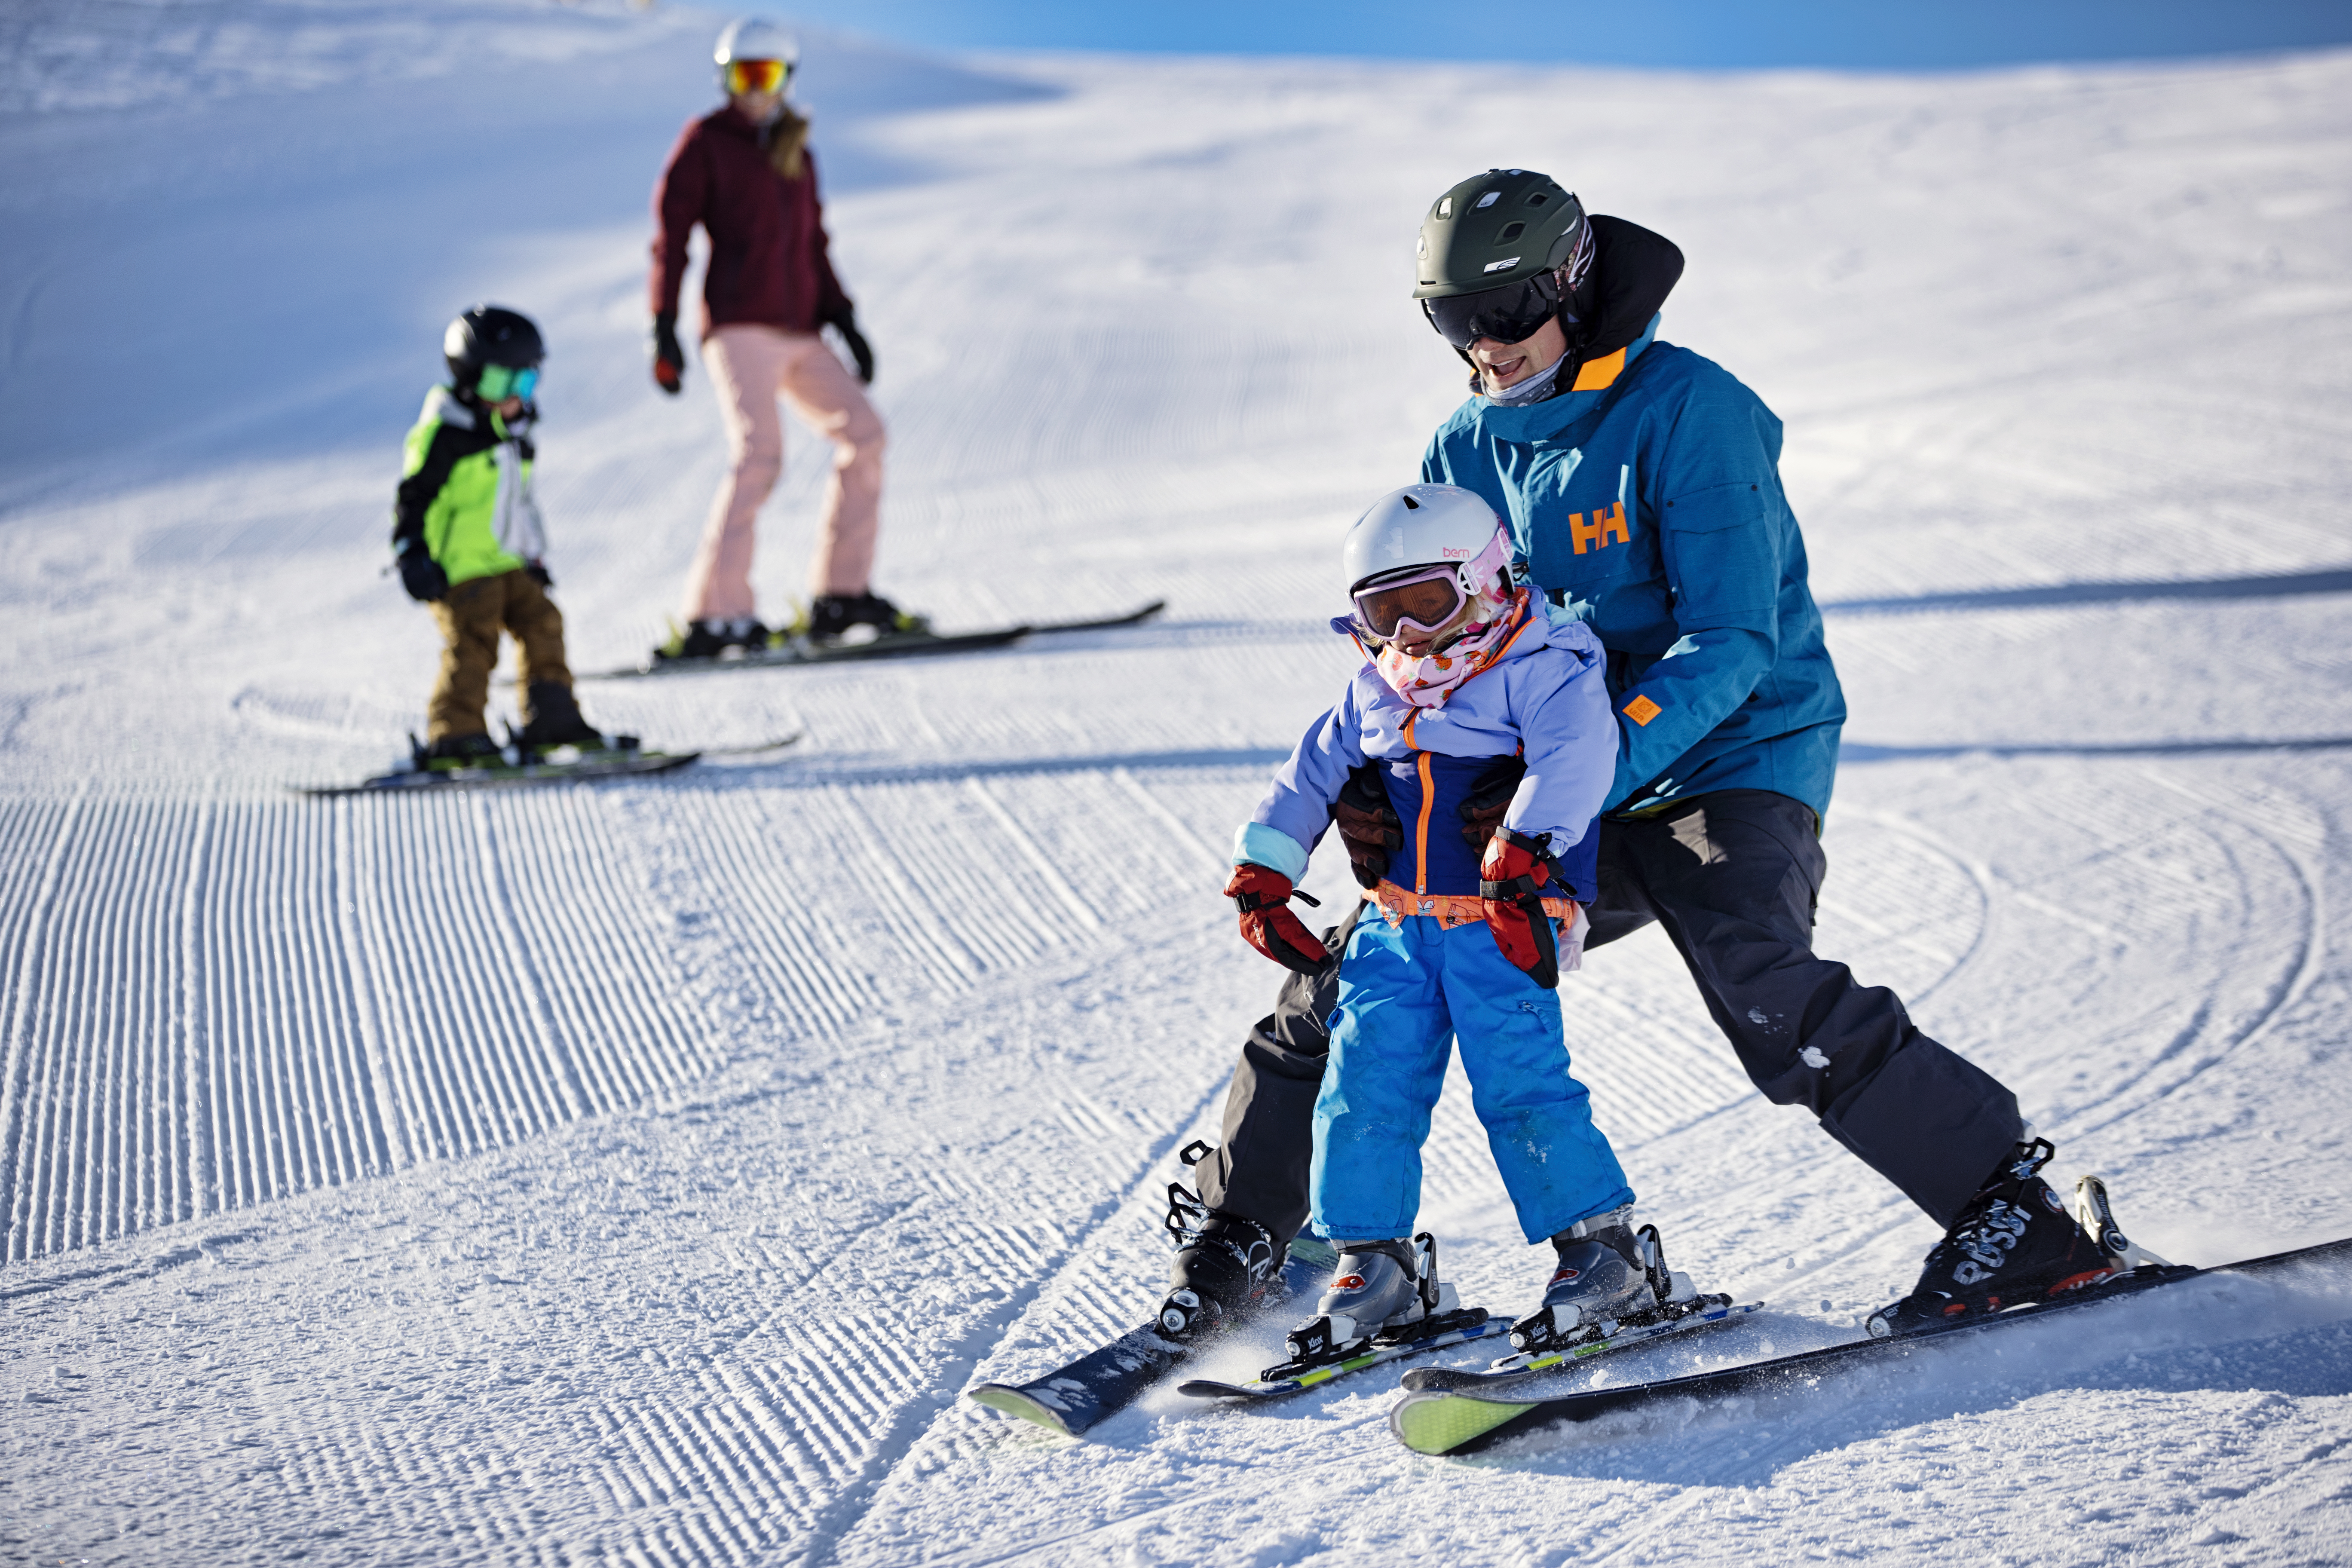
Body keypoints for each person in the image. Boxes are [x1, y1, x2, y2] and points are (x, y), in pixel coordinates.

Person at [1159, 168, 2118, 1345]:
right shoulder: (1465, 444)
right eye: (1453, 321)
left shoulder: (1692, 414)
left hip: (1732, 754)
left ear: (1568, 286)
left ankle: (2012, 1215)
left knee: (1756, 971)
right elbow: (1437, 650)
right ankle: (1247, 1240)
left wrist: (1566, 796)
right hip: (1551, 778)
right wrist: (1400, 801)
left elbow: (1733, 639)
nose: (1483, 347)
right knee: (1369, 962)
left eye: (1504, 314)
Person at [1216, 481, 1672, 1361]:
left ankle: (1602, 1251)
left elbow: (1579, 755)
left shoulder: (1548, 663)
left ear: (1488, 579)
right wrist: (1265, 872)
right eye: (1383, 613)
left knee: (1522, 1087)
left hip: (1500, 923)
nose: (1409, 636)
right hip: (1393, 929)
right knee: (1362, 1094)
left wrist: (1525, 847)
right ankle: (1374, 1262)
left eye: (1428, 603)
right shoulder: (1374, 690)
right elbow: (1308, 776)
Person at [646, 18, 908, 662]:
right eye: (742, 76)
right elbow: (672, 236)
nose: (753, 91)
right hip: (739, 326)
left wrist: (844, 317)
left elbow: (814, 245)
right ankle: (716, 614)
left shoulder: (799, 152)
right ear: (724, 78)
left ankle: (840, 594)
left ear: (787, 80)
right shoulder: (706, 141)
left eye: (765, 77)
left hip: (801, 328)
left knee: (866, 434)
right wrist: (664, 323)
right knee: (760, 455)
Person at [390, 306, 617, 767]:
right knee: (474, 643)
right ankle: (455, 734)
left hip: (508, 562)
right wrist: (411, 551)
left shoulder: (515, 435)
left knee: (544, 623)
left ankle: (551, 718)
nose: (515, 397)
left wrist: (533, 557)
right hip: (459, 568)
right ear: (469, 381)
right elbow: (411, 499)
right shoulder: (444, 436)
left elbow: (520, 504)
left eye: (526, 383)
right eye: (502, 384)